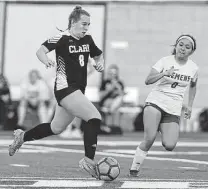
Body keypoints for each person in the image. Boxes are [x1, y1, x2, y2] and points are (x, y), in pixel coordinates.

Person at [8, 5, 104, 179]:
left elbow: (98, 55)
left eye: (88, 24)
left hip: (77, 91)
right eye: (83, 24)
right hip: (65, 88)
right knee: (94, 117)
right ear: (73, 22)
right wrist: (46, 60)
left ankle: (22, 137)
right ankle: (89, 161)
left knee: (56, 128)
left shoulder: (88, 39)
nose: (86, 28)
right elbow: (41, 50)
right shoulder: (61, 38)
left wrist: (100, 63)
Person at [129, 34, 198, 177]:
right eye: (181, 45)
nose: (183, 49)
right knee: (149, 138)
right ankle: (134, 169)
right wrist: (164, 73)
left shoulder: (193, 68)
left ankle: (160, 125)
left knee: (170, 145)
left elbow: (193, 86)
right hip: (156, 102)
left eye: (187, 47)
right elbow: (148, 80)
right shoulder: (165, 61)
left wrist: (190, 106)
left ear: (191, 51)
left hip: (173, 108)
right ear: (176, 46)